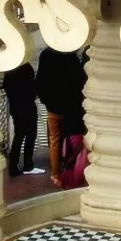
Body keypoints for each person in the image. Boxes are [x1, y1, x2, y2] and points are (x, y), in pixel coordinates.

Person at [35, 47, 86, 188]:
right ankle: (72, 170)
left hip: (53, 108)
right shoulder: (70, 55)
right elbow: (79, 80)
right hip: (72, 109)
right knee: (74, 140)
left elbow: (40, 82)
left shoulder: (45, 55)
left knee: (55, 140)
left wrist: (47, 101)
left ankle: (56, 174)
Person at [1, 60, 39, 178]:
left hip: (15, 107)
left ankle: (13, 165)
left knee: (19, 136)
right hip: (28, 106)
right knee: (31, 135)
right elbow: (33, 88)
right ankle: (28, 164)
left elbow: (6, 87)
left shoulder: (9, 71)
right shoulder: (27, 68)